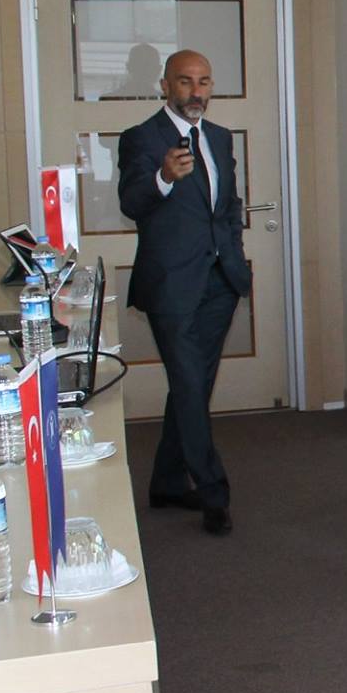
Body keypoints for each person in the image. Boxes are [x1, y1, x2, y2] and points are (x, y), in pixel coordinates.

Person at [117, 49, 253, 536]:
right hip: (171, 284)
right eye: (185, 81)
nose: (196, 91)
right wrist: (163, 178)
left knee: (192, 386)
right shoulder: (141, 138)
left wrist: (234, 254)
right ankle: (214, 493)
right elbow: (131, 203)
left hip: (219, 282)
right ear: (165, 85)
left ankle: (167, 483)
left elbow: (228, 205)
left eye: (204, 81)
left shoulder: (219, 137)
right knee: (192, 385)